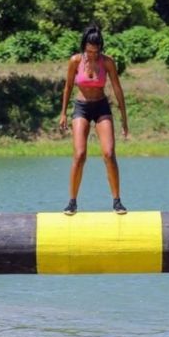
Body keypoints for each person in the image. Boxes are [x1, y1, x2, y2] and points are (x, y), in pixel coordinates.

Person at [58, 24, 129, 215]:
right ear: (84, 46)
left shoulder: (107, 62)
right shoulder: (75, 61)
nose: (92, 55)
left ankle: (117, 201)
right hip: (81, 107)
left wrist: (124, 118)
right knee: (80, 155)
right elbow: (68, 87)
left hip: (101, 107)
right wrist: (63, 112)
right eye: (89, 51)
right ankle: (72, 202)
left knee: (108, 153)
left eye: (96, 51)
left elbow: (117, 88)